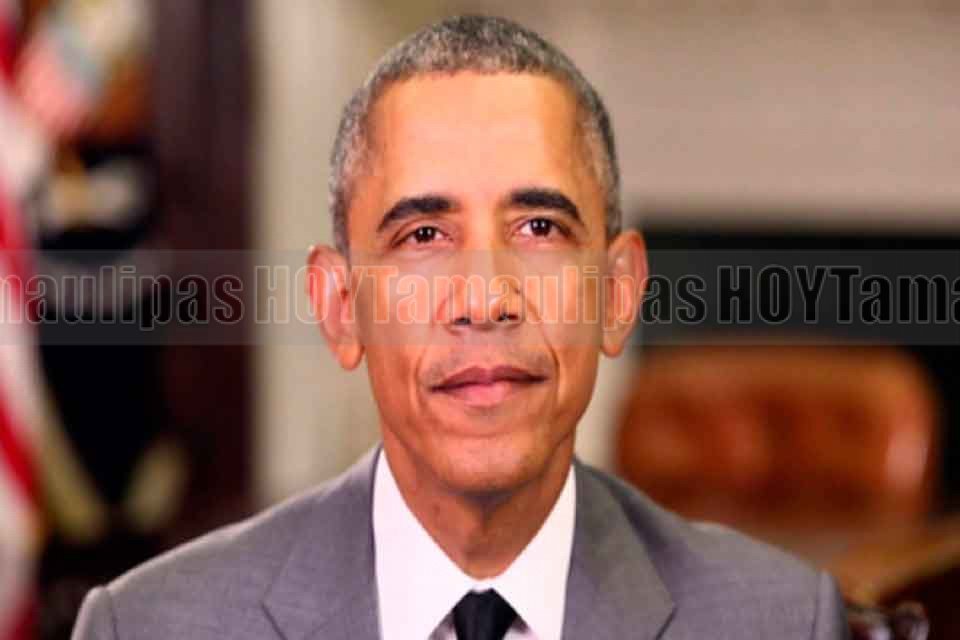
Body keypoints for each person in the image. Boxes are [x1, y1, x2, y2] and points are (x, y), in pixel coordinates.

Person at [73, 15, 849, 640]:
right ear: (340, 308)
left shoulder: (781, 622)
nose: (484, 298)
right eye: (423, 235)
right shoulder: (148, 627)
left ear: (618, 294)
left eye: (539, 228)